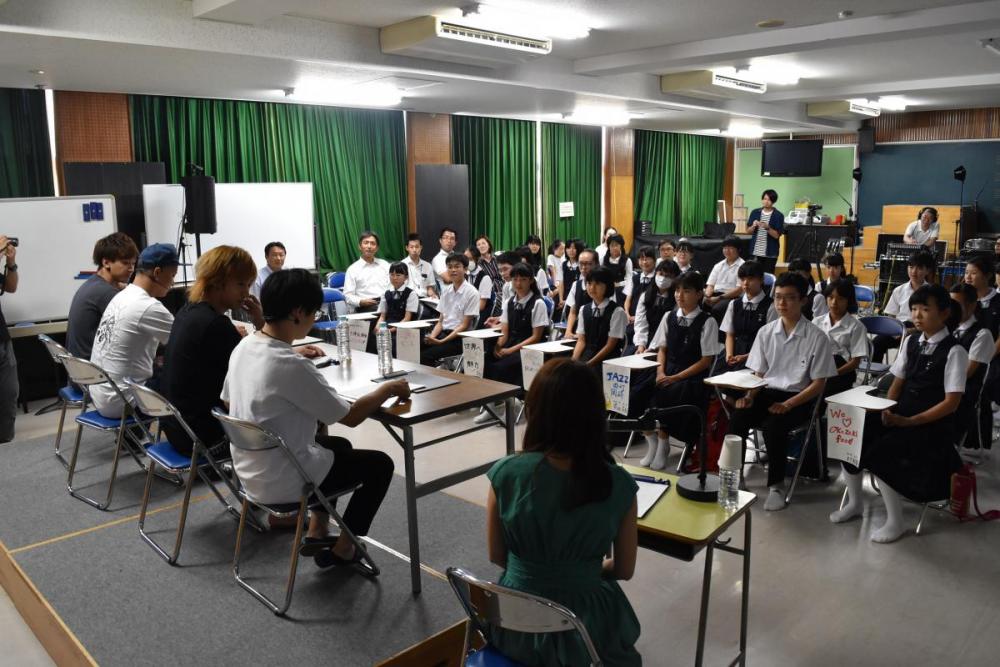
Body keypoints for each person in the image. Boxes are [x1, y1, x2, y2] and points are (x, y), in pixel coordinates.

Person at [223, 268, 407, 568]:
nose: (314, 319)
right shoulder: (291, 365)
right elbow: (351, 416)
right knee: (380, 464)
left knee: (338, 446)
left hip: (248, 472)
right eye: (314, 313)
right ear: (298, 312)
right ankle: (345, 548)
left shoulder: (244, 346)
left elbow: (229, 400)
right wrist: (387, 389)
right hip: (285, 480)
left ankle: (317, 529)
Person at [486, 357, 640, 666]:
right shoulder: (618, 484)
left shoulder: (505, 474)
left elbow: (497, 555)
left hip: (515, 623)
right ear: (596, 416)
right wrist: (579, 571)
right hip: (583, 625)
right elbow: (624, 570)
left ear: (535, 411)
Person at [829, 284, 965, 543]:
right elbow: (898, 382)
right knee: (850, 432)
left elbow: (951, 403)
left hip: (931, 425)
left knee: (882, 453)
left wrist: (910, 421)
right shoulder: (912, 341)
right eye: (914, 309)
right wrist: (887, 409)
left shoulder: (954, 351)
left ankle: (896, 521)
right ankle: (855, 502)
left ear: (944, 313)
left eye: (925, 309)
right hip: (900, 415)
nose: (917, 315)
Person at [161, 245, 325, 459]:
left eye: (248, 285)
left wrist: (282, 342)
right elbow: (264, 361)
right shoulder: (215, 325)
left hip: (178, 428)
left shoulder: (188, 312)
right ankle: (309, 469)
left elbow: (258, 353)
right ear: (217, 281)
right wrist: (262, 321)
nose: (246, 293)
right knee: (308, 411)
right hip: (207, 438)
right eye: (241, 284)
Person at [726, 272, 837, 511]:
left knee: (774, 426)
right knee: (737, 418)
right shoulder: (766, 332)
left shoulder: (817, 337)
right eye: (777, 297)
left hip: (800, 398)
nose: (781, 303)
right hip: (766, 392)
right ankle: (735, 477)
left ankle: (776, 486)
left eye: (789, 298)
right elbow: (759, 373)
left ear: (803, 301)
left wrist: (789, 404)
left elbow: (819, 384)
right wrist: (749, 396)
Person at [639, 271, 722, 470]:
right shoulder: (669, 316)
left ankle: (664, 443)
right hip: (666, 369)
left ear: (699, 294)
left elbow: (706, 361)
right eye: (677, 290)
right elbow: (662, 349)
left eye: (686, 290)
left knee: (671, 393)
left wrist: (676, 377)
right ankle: (652, 442)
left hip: (691, 375)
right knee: (639, 391)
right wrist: (660, 372)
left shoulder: (707, 321)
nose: (679, 295)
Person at [90, 243, 178, 418]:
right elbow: (186, 339)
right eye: (172, 275)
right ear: (157, 272)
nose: (173, 282)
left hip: (101, 394)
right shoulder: (148, 306)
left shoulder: (121, 296)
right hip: (125, 401)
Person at [474, 264, 550, 425]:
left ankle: (512, 406)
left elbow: (536, 337)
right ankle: (490, 407)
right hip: (511, 343)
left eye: (523, 279)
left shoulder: (538, 303)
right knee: (487, 360)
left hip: (530, 348)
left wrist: (509, 351)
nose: (518, 283)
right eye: (515, 279)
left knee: (503, 367)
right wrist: (498, 347)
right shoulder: (509, 302)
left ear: (531, 281)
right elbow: (505, 332)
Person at [66, 232, 139, 361]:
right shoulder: (106, 293)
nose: (131, 269)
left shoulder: (94, 284)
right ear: (106, 263)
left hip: (80, 367)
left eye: (133, 263)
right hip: (94, 369)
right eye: (125, 263)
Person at [949, 283, 995, 455]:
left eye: (957, 305)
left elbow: (967, 373)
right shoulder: (948, 328)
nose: (952, 310)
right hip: (946, 381)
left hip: (966, 388)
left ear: (972, 305)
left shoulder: (982, 334)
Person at [872, 250, 934, 363]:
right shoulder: (899, 290)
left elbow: (934, 321)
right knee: (877, 342)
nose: (914, 272)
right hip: (900, 328)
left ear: (928, 270)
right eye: (911, 267)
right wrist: (897, 330)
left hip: (921, 330)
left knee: (912, 346)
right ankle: (876, 372)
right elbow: (891, 316)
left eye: (919, 268)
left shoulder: (932, 292)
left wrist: (912, 330)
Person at [421, 253, 480, 366]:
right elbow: (440, 321)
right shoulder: (446, 291)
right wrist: (432, 337)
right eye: (450, 267)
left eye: (457, 266)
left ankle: (438, 376)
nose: (453, 270)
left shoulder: (472, 293)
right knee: (415, 348)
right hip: (443, 334)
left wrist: (441, 341)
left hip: (459, 339)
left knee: (425, 356)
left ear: (465, 269)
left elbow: (464, 326)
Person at [814, 279, 867, 398]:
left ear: (849, 301)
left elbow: (855, 362)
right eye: (830, 297)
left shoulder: (857, 327)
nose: (834, 302)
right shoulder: (817, 322)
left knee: (820, 390)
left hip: (842, 371)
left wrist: (833, 373)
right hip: (818, 366)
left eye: (840, 299)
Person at [721, 261, 777, 371]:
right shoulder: (734, 304)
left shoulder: (771, 306)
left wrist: (747, 357)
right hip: (734, 353)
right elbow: (730, 334)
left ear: (761, 280)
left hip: (760, 356)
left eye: (750, 279)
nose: (745, 283)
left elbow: (770, 342)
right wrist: (729, 355)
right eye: (742, 279)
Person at [572, 267, 626, 369]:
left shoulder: (617, 312)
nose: (592, 288)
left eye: (597, 284)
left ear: (607, 286)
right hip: (587, 357)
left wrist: (589, 364)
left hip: (608, 361)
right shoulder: (584, 309)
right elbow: (581, 341)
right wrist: (573, 362)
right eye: (589, 283)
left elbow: (610, 346)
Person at [368, 262, 419, 355]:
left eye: (398, 275)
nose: (394, 278)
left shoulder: (411, 294)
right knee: (372, 340)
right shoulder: (386, 293)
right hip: (386, 326)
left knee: (391, 344)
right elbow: (382, 316)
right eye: (392, 274)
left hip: (402, 328)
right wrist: (377, 327)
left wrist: (391, 330)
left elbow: (407, 318)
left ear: (406, 277)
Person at [631, 259, 680, 355]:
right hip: (647, 338)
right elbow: (641, 322)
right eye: (661, 274)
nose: (663, 278)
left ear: (675, 279)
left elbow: (671, 328)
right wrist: (641, 345)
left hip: (667, 342)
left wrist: (654, 347)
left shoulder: (677, 299)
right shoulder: (646, 296)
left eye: (668, 276)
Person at [0, 234, 19, 442]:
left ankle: (6, 441)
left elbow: (10, 287)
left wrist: (11, 263)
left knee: (9, 393)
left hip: (2, 339)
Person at [343, 231, 389, 313]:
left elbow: (392, 286)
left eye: (373, 243)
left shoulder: (385, 265)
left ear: (377, 248)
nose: (369, 246)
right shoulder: (352, 269)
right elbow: (347, 295)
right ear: (360, 246)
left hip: (386, 303)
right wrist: (360, 301)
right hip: (365, 307)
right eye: (366, 243)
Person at [704, 235, 746, 321]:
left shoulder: (743, 266)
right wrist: (707, 296)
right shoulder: (718, 265)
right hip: (715, 295)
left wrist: (718, 298)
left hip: (732, 297)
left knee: (717, 309)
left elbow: (739, 290)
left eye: (730, 248)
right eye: (725, 248)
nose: (727, 250)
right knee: (697, 304)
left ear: (738, 249)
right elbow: (710, 285)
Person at [563, 249, 600, 341]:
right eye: (581, 264)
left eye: (588, 264)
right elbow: (573, 311)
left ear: (596, 264)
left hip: (596, 332)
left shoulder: (602, 285)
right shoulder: (576, 285)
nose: (583, 267)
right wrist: (568, 331)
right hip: (578, 332)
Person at [746, 189, 784, 273]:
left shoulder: (778, 215)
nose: (766, 201)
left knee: (767, 276)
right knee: (754, 275)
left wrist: (767, 228)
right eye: (764, 199)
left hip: (770, 253)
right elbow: (748, 231)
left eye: (769, 200)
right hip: (755, 252)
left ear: (773, 201)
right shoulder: (755, 212)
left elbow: (776, 235)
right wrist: (753, 226)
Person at [622, 246, 656, 334]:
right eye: (641, 259)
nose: (644, 262)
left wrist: (638, 318)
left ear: (654, 260)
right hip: (631, 320)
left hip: (648, 321)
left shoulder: (657, 279)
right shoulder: (634, 278)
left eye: (647, 259)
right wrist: (627, 314)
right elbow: (628, 300)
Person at [484, 252, 520, 329]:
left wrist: (500, 326)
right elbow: (507, 314)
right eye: (500, 270)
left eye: (506, 269)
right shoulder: (506, 286)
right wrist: (498, 318)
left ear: (517, 267)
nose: (502, 273)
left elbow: (521, 316)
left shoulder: (529, 284)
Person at [465, 246, 495, 327]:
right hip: (468, 311)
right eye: (465, 259)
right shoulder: (466, 275)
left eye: (470, 259)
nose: (467, 262)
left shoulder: (485, 278)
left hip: (480, 315)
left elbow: (481, 306)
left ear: (477, 259)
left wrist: (465, 311)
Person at [401, 233, 437, 299]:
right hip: (408, 299)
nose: (414, 250)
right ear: (407, 248)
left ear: (421, 247)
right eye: (411, 247)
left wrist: (432, 295)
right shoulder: (402, 265)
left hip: (424, 299)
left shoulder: (428, 266)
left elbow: (429, 287)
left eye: (417, 247)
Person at [813, 252, 847, 320]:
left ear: (842, 268)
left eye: (836, 267)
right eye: (828, 267)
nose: (831, 271)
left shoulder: (847, 286)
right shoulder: (820, 286)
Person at [601, 234, 633, 303]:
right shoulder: (604, 259)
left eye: (616, 245)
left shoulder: (627, 260)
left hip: (621, 290)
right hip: (606, 290)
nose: (614, 248)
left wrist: (619, 285)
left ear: (621, 246)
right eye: (612, 245)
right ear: (608, 247)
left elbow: (629, 280)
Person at [475, 235, 503, 310]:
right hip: (489, 295)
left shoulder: (498, 259)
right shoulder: (477, 264)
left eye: (483, 243)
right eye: (478, 245)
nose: (481, 246)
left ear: (489, 245)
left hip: (504, 290)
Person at [558, 239, 584, 314]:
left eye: (574, 248)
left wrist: (568, 301)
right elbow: (561, 282)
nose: (571, 250)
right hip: (564, 297)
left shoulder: (581, 265)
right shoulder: (563, 264)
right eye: (569, 248)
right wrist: (561, 299)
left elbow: (580, 286)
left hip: (577, 297)